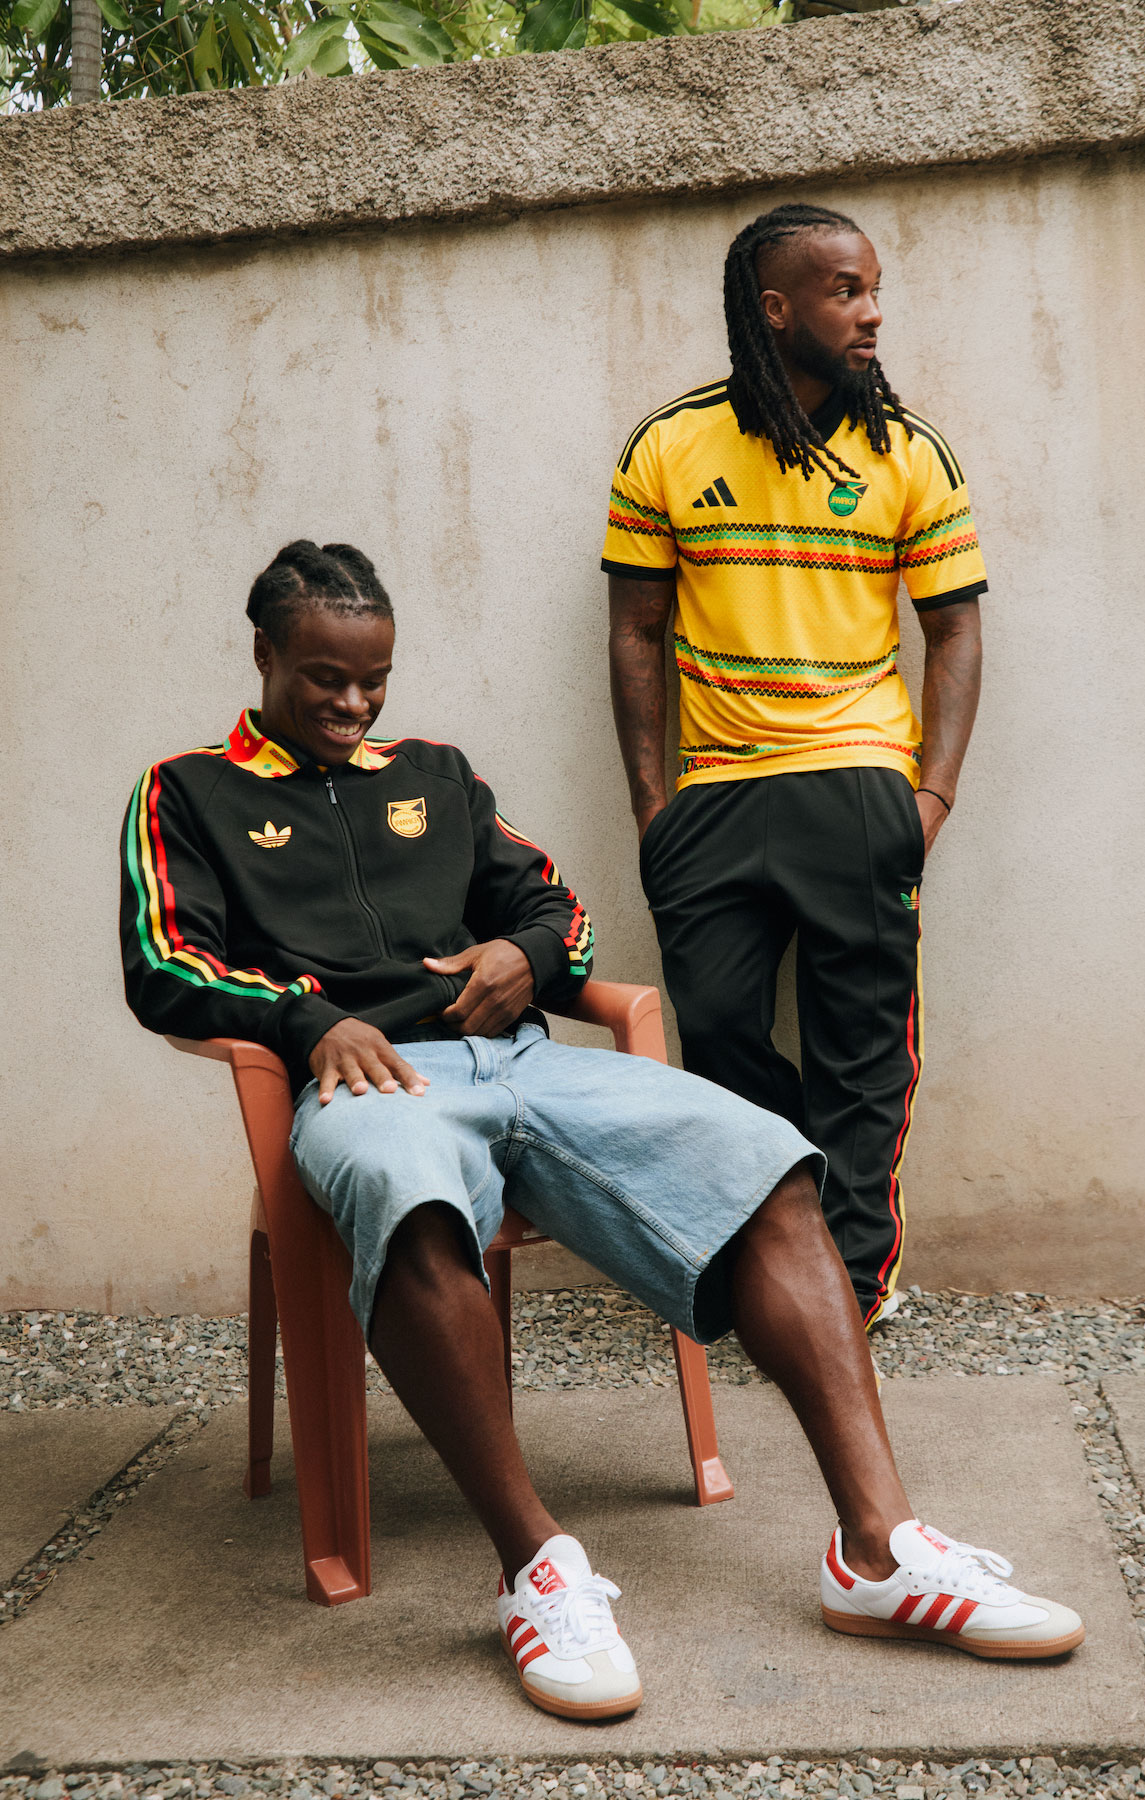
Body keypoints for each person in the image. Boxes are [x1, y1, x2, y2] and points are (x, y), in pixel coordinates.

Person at [121, 540, 1080, 1724]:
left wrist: (526, 955)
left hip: (528, 1063)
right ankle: (539, 1570)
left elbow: (557, 909)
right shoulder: (187, 792)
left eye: (374, 679)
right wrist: (310, 1020)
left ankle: (880, 1552)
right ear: (265, 653)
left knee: (769, 1163)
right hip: (372, 1082)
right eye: (326, 678)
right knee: (411, 1200)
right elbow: (165, 963)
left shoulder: (436, 776)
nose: (355, 703)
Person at [605, 203, 986, 1329]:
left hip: (860, 776)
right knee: (720, 1034)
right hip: (716, 789)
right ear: (774, 309)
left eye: (874, 291)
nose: (872, 314)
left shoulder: (906, 452)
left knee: (862, 1053)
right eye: (845, 291)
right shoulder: (667, 447)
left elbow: (954, 631)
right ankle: (785, 1237)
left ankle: (853, 1288)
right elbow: (634, 632)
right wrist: (653, 810)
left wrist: (930, 796)